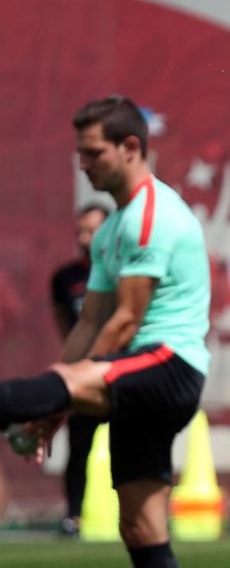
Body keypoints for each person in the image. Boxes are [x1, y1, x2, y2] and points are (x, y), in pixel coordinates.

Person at [0, 96, 210, 568]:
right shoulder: (114, 225)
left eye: (92, 153)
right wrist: (52, 398)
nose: (82, 164)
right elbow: (88, 325)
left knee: (25, 395)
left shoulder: (151, 216)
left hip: (168, 369)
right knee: (142, 527)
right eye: (79, 153)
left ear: (131, 148)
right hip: (135, 374)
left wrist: (54, 402)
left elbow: (123, 324)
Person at [50, 202, 110, 536]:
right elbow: (67, 326)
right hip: (84, 377)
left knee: (132, 445)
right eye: (81, 231)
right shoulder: (65, 278)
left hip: (119, 373)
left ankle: (137, 516)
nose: (85, 238)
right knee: (79, 446)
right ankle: (73, 515)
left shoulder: (123, 275)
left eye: (93, 230)